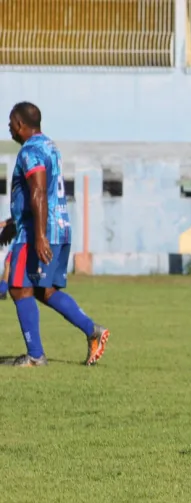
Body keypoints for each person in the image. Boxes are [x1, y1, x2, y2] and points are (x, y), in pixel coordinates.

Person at [4, 102, 109, 367]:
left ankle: (35, 356)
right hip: (59, 228)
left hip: (39, 233)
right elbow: (44, 193)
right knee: (44, 290)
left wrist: (39, 235)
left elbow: (38, 192)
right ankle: (93, 331)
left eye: (10, 122)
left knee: (18, 288)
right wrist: (14, 221)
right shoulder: (50, 146)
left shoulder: (30, 151)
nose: (8, 128)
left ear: (20, 123)